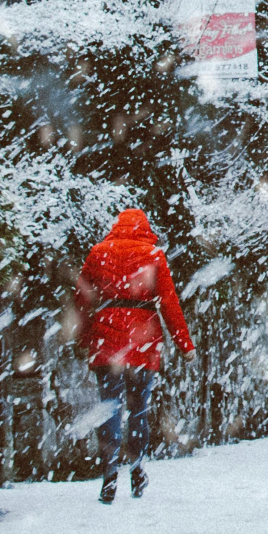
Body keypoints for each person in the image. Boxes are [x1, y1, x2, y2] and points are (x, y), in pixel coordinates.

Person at [73, 207, 195, 503]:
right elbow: (169, 302)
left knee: (109, 407)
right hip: (143, 340)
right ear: (144, 228)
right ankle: (138, 468)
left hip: (107, 340)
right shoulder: (153, 255)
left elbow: (82, 300)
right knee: (138, 409)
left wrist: (83, 338)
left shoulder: (97, 253)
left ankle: (109, 474)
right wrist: (185, 345)